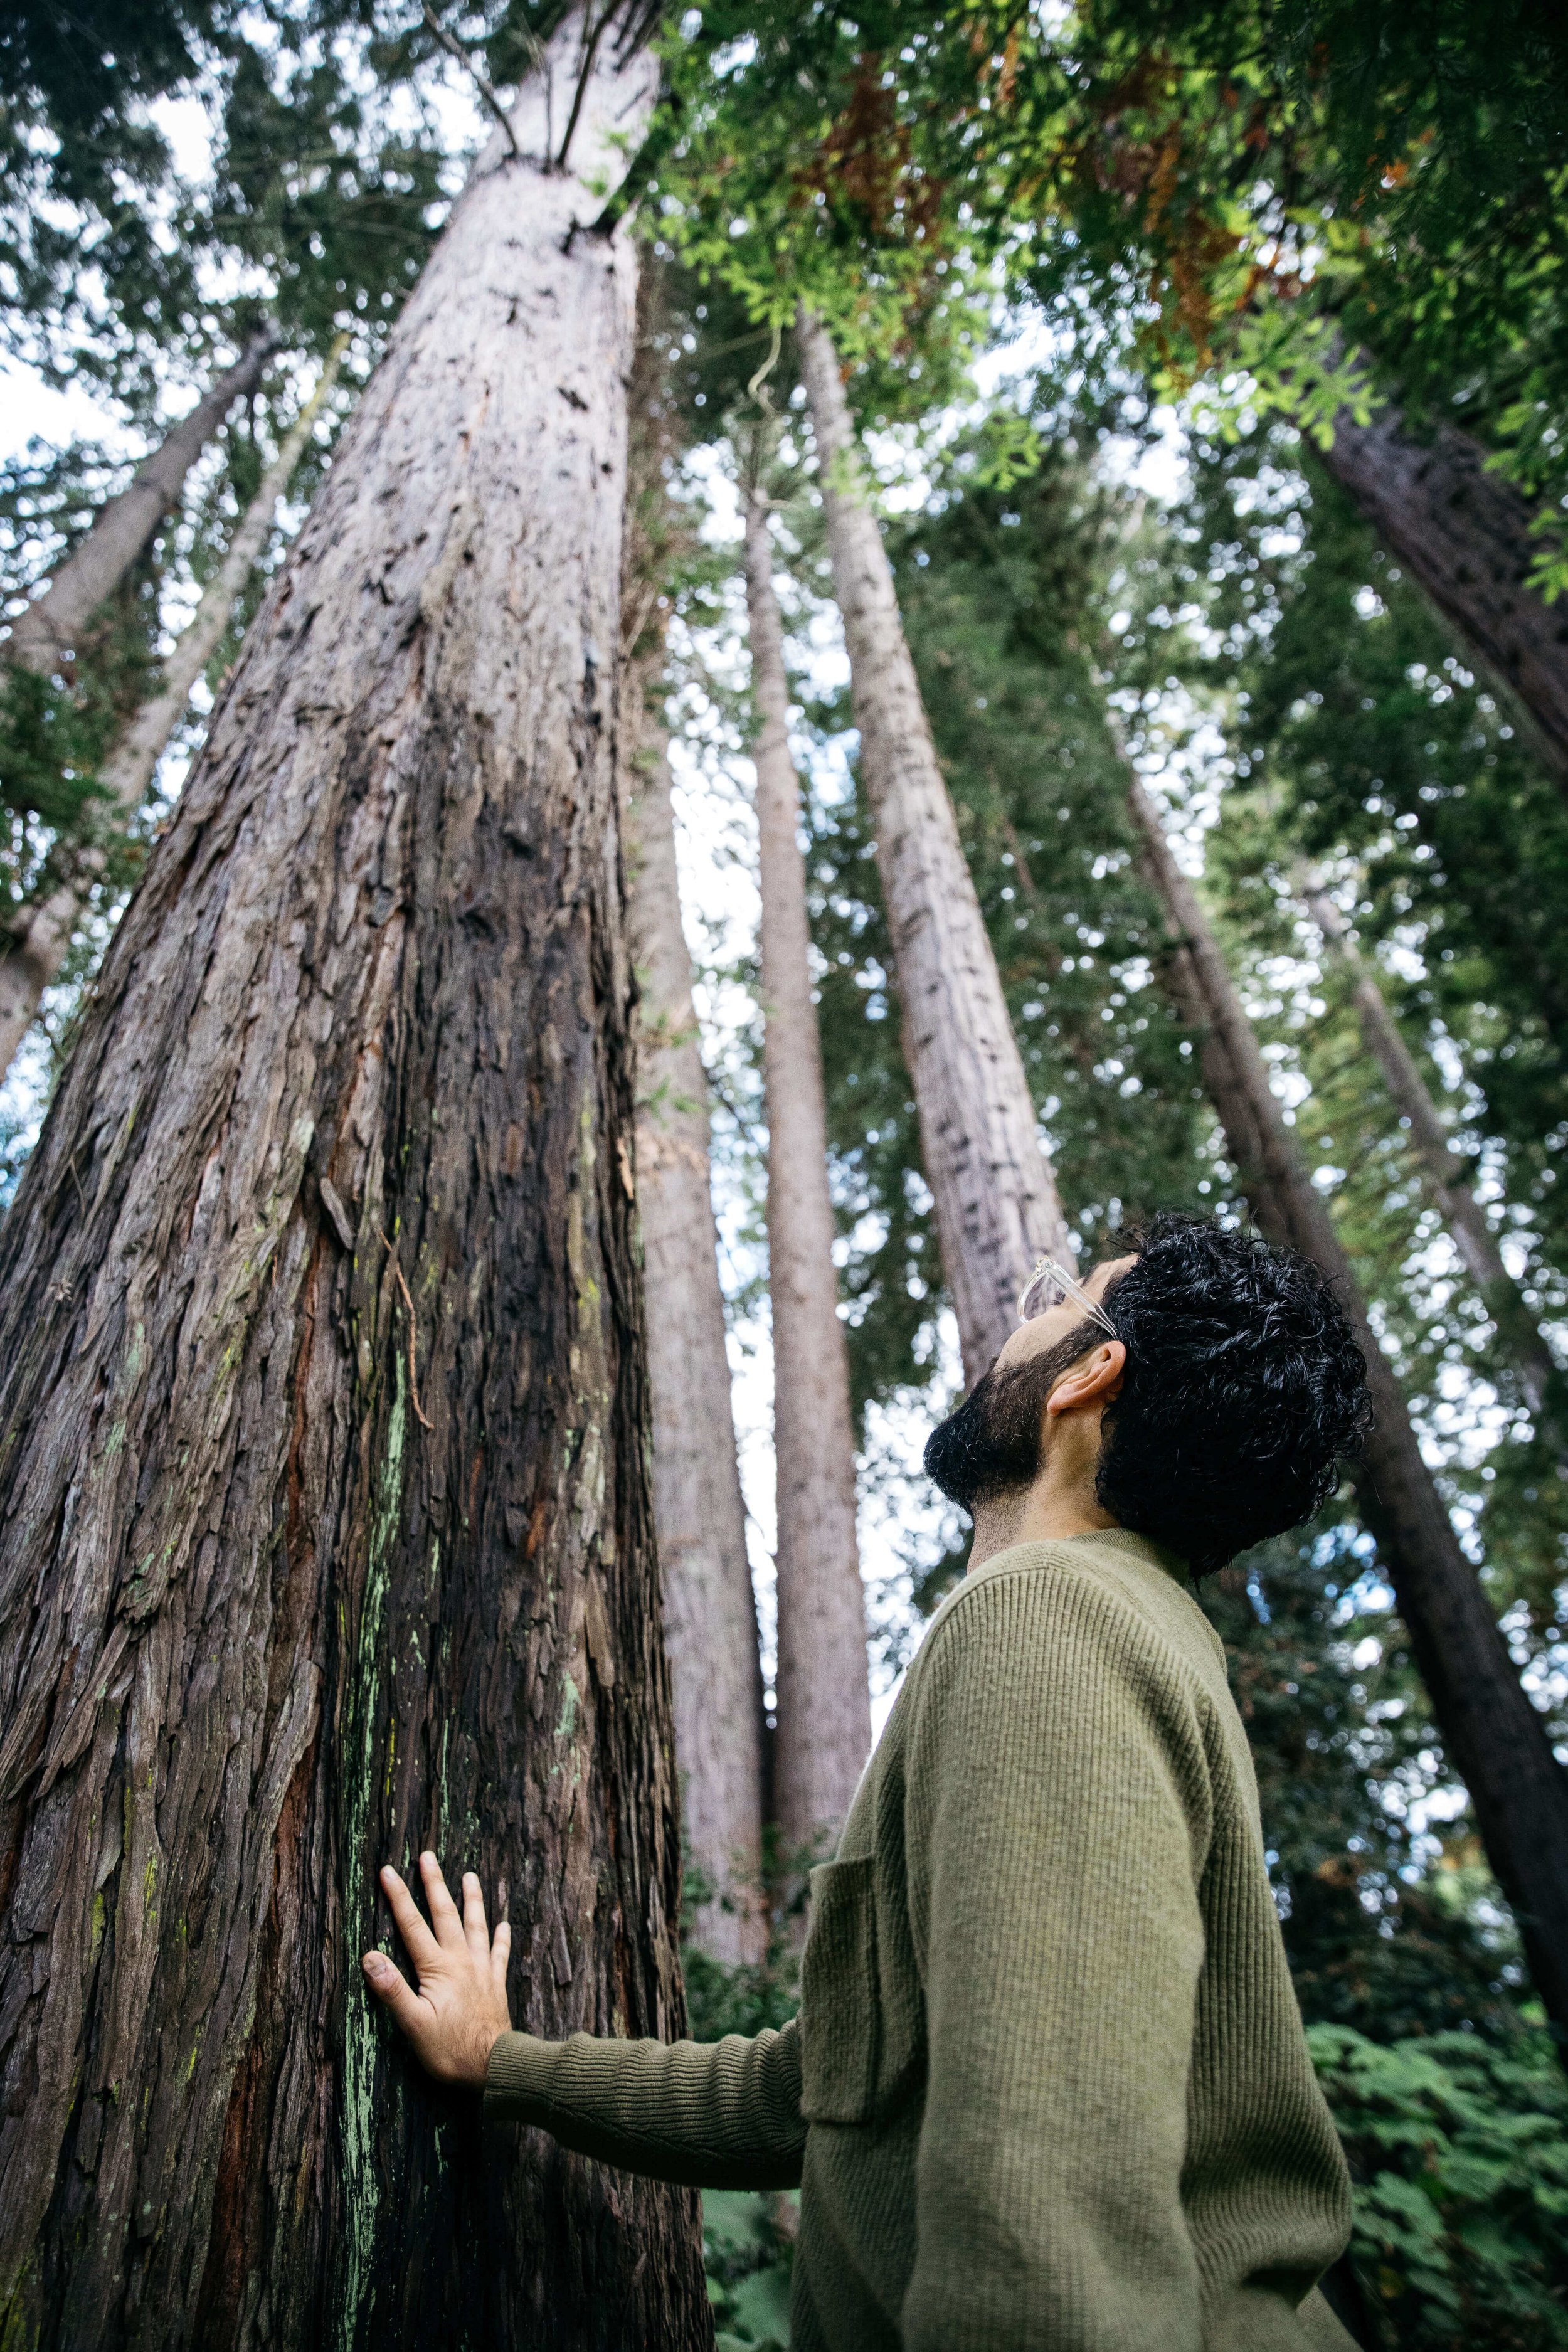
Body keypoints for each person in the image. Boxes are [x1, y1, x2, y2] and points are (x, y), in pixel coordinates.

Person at [363, 1210, 1374, 2350]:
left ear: (1089, 1374)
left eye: (1060, 1290)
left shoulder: (1052, 1621)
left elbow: (1046, 2229)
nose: (1018, 1320)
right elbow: (812, 2093)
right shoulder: (1118, 1635)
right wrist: (504, 2061)